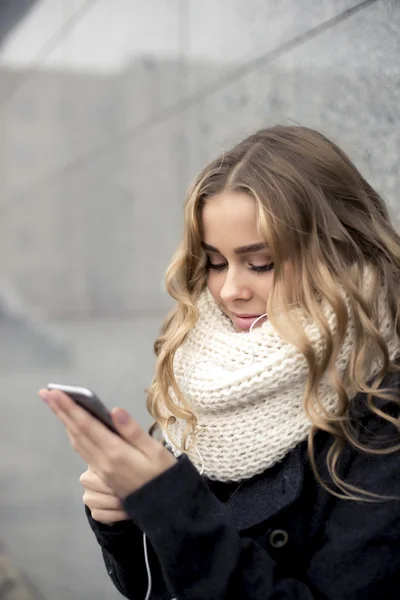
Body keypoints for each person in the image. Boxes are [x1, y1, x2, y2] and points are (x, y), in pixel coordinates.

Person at [39, 125, 400, 600]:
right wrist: (123, 514)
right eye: (215, 262)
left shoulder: (381, 412)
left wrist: (171, 507)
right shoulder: (204, 367)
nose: (231, 290)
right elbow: (155, 587)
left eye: (262, 262)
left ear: (337, 250)